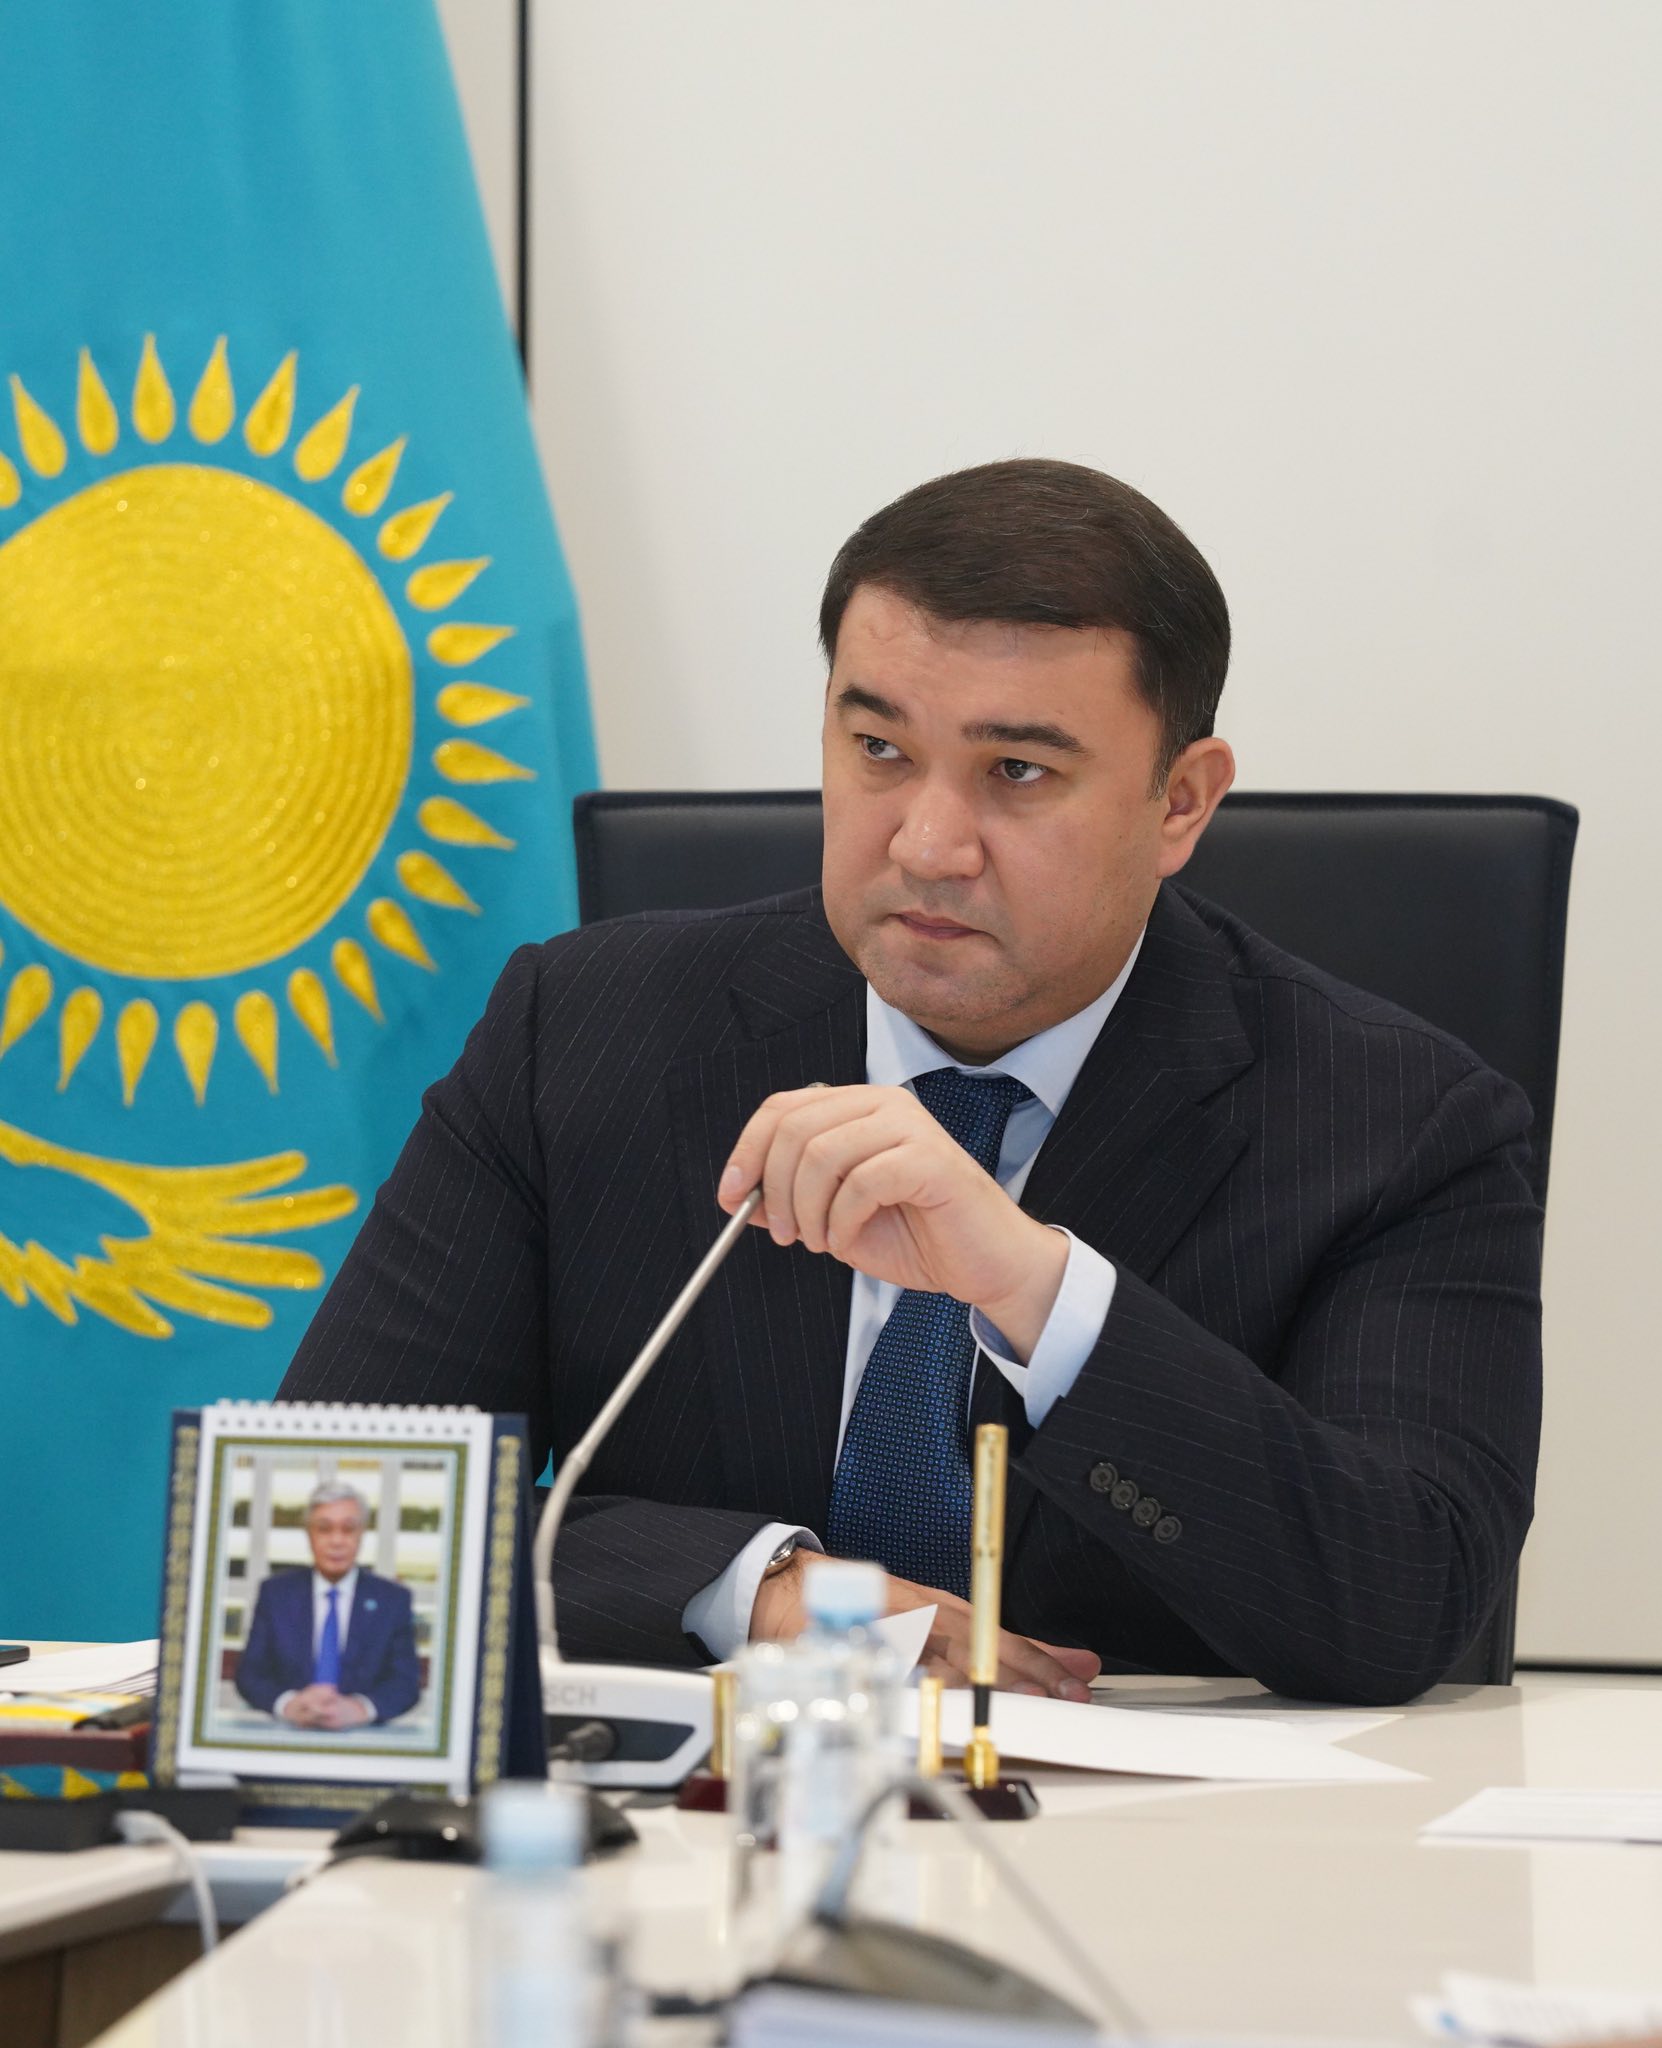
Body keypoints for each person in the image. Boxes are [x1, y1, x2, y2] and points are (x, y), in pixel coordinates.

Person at [281, 458, 1542, 1707]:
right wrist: (769, 1591)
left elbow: (1406, 1598)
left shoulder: (1402, 1125)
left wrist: (1035, 1287)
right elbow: (318, 1512)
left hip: (1180, 1826)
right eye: (879, 747)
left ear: (1181, 802)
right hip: (698, 1813)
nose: (928, 845)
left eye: (1018, 772)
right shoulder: (581, 1034)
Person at [235, 1480, 422, 1728]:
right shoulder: (276, 1594)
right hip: (288, 1735)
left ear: (362, 1534)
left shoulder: (392, 1600)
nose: (336, 1541)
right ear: (309, 1534)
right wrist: (289, 1705)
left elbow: (405, 1683)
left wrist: (360, 1709)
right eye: (324, 1529)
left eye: (348, 1529)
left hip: (363, 1739)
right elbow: (251, 1675)